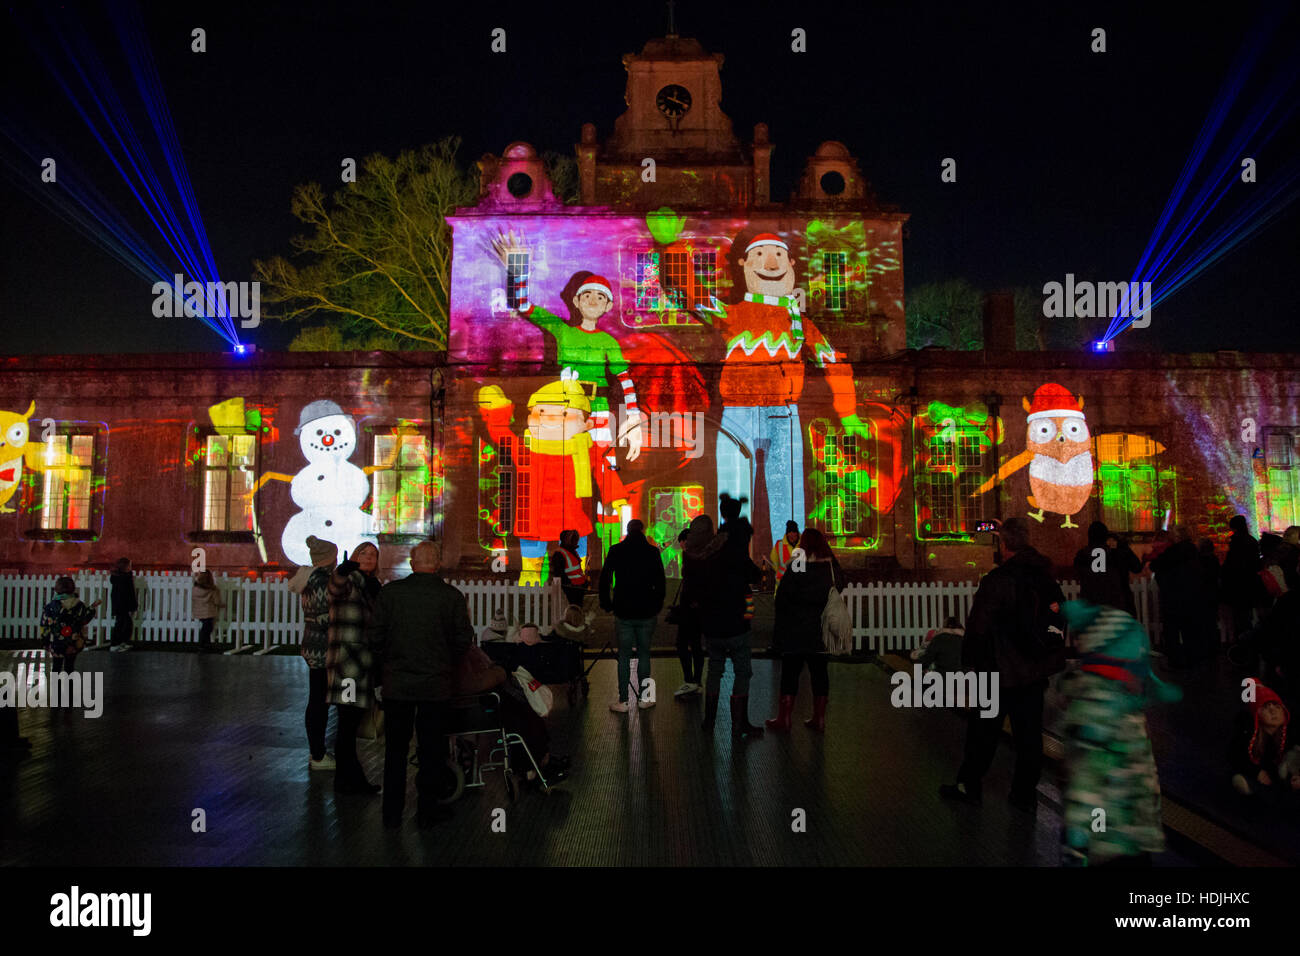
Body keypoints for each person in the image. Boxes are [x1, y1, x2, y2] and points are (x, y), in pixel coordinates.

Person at [939, 517, 1065, 812]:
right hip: (1034, 671)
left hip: (998, 671)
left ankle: (969, 786)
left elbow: (978, 626)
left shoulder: (998, 580)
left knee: (982, 734)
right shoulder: (1045, 576)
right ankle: (1024, 794)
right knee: (1029, 736)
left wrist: (971, 663)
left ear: (1004, 543)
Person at [1059, 599, 1181, 866]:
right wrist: (1081, 844)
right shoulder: (1097, 710)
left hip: (1131, 832)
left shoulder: (1123, 703)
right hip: (1109, 842)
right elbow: (1085, 784)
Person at [371, 539, 475, 829]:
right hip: (435, 686)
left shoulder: (391, 594)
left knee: (395, 750)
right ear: (438, 563)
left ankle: (391, 813)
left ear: (413, 563)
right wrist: (445, 663)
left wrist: (387, 664)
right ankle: (427, 810)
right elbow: (462, 640)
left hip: (397, 685)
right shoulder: (451, 597)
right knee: (432, 750)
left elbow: (375, 636)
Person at [766, 528, 843, 732]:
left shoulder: (797, 565)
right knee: (820, 673)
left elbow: (782, 597)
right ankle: (819, 718)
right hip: (821, 629)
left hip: (796, 629)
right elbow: (839, 586)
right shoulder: (830, 566)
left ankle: (785, 718)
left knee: (790, 673)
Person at [701, 495, 765, 739]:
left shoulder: (711, 547)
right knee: (742, 672)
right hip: (737, 621)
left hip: (713, 622)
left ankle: (709, 722)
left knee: (714, 671)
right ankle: (740, 724)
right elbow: (754, 575)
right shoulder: (739, 548)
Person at [326, 542, 382, 795]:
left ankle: (346, 779)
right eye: (365, 553)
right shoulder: (350, 580)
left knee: (350, 723)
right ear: (356, 556)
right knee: (347, 724)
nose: (369, 557)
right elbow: (334, 589)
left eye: (374, 554)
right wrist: (341, 570)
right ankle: (350, 779)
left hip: (361, 662)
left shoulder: (372, 585)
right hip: (348, 664)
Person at [599, 519, 666, 713]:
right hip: (647, 612)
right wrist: (657, 605)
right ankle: (646, 698)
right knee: (645, 654)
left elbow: (605, 579)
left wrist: (607, 603)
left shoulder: (616, 550)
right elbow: (660, 583)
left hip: (623, 610)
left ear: (627, 531)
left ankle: (623, 701)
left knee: (624, 656)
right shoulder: (652, 552)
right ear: (643, 531)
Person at [290, 536, 337, 772]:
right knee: (320, 702)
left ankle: (317, 752)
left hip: (312, 645)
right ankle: (318, 754)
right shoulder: (321, 581)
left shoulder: (309, 578)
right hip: (322, 648)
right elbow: (323, 616)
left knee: (318, 700)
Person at [673, 514, 718, 698]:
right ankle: (697, 681)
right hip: (704, 607)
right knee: (697, 645)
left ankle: (690, 680)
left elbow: (691, 582)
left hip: (690, 607)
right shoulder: (712, 552)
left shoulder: (691, 555)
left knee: (683, 643)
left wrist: (691, 601)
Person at [1229, 681, 1299, 796]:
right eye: (1266, 707)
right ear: (1258, 715)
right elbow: (1235, 756)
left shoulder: (1292, 732)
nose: (1273, 711)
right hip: (1264, 773)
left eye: (1277, 706)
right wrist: (1256, 772)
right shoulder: (1249, 734)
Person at [1151, 526, 1207, 668]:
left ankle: (1175, 661)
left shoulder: (1174, 552)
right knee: (1190, 630)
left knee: (1172, 630)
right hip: (1191, 596)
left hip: (1174, 597)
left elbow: (1157, 564)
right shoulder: (1193, 551)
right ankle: (1193, 658)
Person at [1072, 521, 1139, 615]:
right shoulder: (1116, 554)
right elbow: (1136, 567)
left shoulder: (1082, 554)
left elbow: (1076, 573)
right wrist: (1123, 546)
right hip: (1116, 605)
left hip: (1091, 605)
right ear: (1105, 536)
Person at [40, 577, 99, 674]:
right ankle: (69, 687)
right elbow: (84, 619)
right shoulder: (79, 605)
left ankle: (56, 687)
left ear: (56, 589)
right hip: (73, 642)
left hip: (56, 642)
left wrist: (45, 641)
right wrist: (92, 608)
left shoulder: (50, 607)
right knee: (70, 666)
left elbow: (44, 625)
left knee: (56, 666)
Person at [1223, 514, 1263, 642]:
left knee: (1240, 617)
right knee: (1247, 616)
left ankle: (1243, 644)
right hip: (1249, 583)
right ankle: (1250, 641)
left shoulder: (1236, 542)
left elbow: (1230, 565)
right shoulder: (1251, 541)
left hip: (1237, 585)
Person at [549, 529, 589, 609]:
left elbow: (577, 571)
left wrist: (584, 582)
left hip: (577, 587)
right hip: (571, 589)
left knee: (577, 610)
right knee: (573, 610)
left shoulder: (572, 552)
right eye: (573, 539)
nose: (576, 541)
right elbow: (559, 573)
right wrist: (568, 584)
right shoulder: (560, 554)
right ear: (567, 540)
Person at [191, 570, 225, 654]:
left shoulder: (195, 588)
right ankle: (202, 646)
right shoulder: (212, 589)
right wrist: (222, 605)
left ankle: (206, 645)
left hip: (198, 611)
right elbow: (216, 601)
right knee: (207, 629)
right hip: (208, 612)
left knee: (205, 628)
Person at [109, 557, 137, 652]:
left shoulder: (120, 577)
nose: (131, 567)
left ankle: (121, 643)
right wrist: (132, 605)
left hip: (121, 605)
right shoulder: (124, 578)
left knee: (126, 624)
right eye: (129, 565)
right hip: (122, 605)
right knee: (120, 624)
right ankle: (115, 644)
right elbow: (129, 593)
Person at [767, 520, 801, 590]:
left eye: (793, 532)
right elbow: (774, 563)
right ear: (787, 534)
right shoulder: (779, 545)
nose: (791, 535)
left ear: (797, 533)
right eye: (789, 532)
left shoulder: (803, 545)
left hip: (798, 586)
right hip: (782, 585)